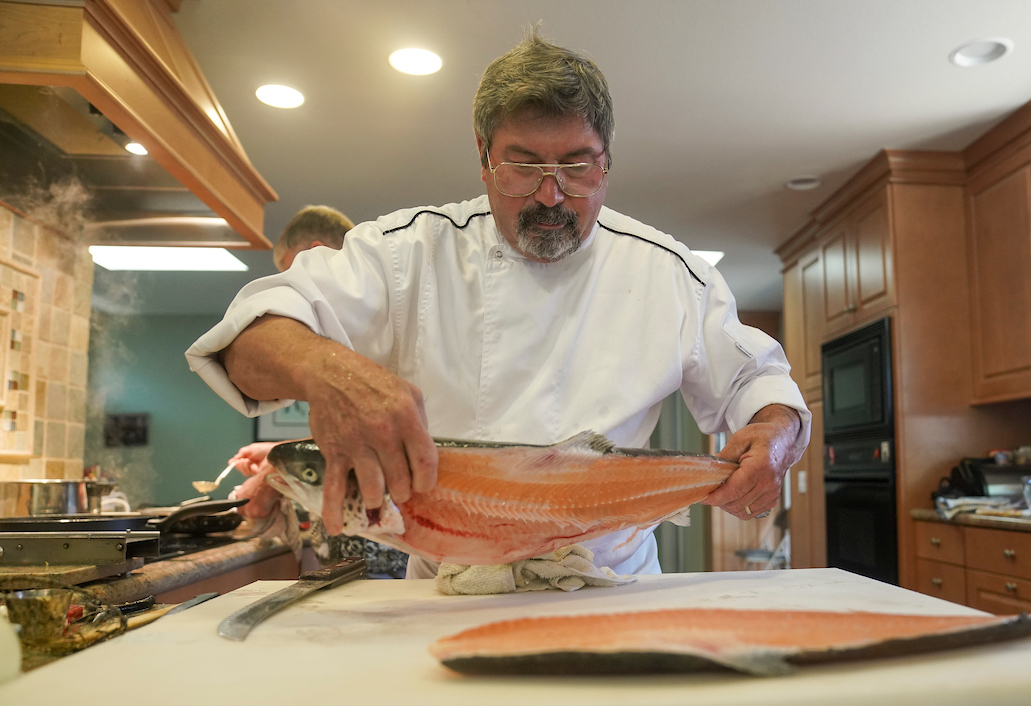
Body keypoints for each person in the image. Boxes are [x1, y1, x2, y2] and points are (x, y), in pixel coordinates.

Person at [186, 28, 811, 580]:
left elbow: (759, 381)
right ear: (483, 156)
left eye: (576, 165)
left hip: (611, 585)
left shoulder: (668, 272)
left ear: (606, 162)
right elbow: (248, 338)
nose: (550, 194)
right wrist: (329, 374)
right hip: (443, 586)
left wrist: (774, 437)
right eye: (522, 165)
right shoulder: (407, 251)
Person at [223, 205, 410, 579]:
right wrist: (284, 454)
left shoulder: (389, 311)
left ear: (314, 255)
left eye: (290, 275)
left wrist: (274, 472)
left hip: (384, 535)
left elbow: (380, 427)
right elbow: (352, 423)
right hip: (363, 534)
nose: (290, 295)